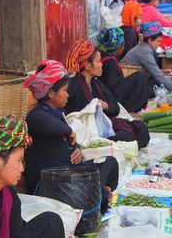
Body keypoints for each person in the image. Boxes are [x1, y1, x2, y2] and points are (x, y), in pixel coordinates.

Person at [23, 60, 119, 214]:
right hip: (52, 183)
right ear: (51, 93)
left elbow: (71, 143)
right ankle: (102, 196)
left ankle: (103, 193)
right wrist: (68, 131)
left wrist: (78, 150)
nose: (67, 95)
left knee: (110, 162)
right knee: (93, 185)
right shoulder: (37, 114)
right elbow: (47, 123)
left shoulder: (56, 112)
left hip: (69, 172)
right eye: (65, 90)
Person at [0, 116, 65, 238]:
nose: (22, 168)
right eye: (19, 161)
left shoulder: (8, 194)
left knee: (50, 222)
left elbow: (18, 232)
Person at [64, 39, 150, 149]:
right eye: (99, 61)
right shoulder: (73, 86)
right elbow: (70, 118)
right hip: (88, 133)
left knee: (141, 128)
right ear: (87, 65)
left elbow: (115, 107)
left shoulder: (96, 83)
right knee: (127, 137)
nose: (101, 65)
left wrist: (106, 105)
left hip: (103, 126)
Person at [122, 21, 172, 95]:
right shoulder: (145, 52)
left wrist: (162, 71)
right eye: (157, 41)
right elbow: (157, 75)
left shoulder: (144, 47)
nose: (159, 44)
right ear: (150, 40)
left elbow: (152, 70)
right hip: (130, 84)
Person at [97, 27, 150, 112]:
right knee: (140, 76)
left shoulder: (104, 55)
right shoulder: (110, 63)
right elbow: (113, 88)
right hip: (113, 97)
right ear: (119, 47)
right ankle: (131, 108)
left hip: (112, 90)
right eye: (123, 45)